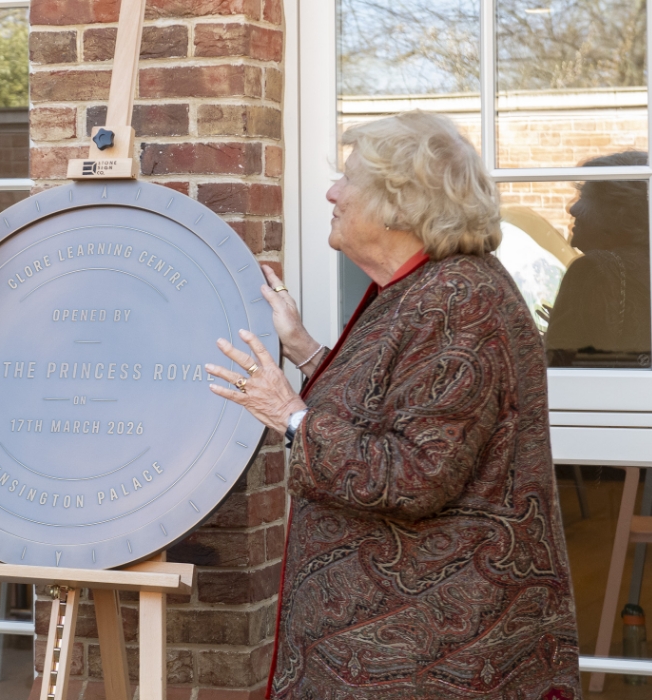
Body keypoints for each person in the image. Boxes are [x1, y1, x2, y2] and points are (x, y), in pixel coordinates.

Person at [207, 111, 581, 699]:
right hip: (400, 649)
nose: (332, 192)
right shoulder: (423, 289)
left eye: (348, 179)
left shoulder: (457, 300)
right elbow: (393, 404)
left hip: (428, 658)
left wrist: (288, 415)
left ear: (400, 204)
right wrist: (303, 348)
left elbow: (416, 475)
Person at [544, 151, 650, 367]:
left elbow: (556, 369)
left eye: (584, 197)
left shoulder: (594, 269)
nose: (571, 208)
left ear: (618, 212)